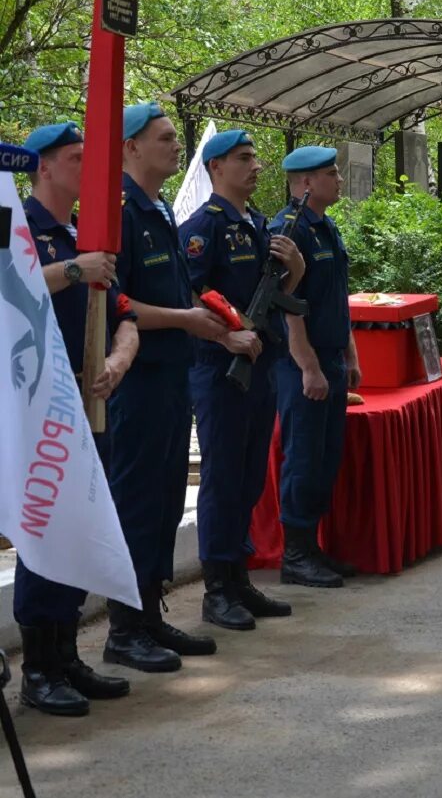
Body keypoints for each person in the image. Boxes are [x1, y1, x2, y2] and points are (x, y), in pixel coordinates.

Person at [15, 122, 135, 715]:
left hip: (91, 409)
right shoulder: (21, 229)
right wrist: (74, 270)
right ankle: (38, 669)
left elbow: (126, 314)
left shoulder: (83, 235)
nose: (88, 170)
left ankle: (66, 655)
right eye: (76, 158)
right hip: (40, 414)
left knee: (82, 528)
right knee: (46, 534)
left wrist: (116, 359)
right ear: (42, 167)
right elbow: (10, 289)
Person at [108, 102, 223, 673]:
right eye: (165, 138)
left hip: (172, 380)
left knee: (162, 504)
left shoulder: (157, 210)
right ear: (130, 146)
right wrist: (184, 320)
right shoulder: (119, 214)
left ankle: (150, 615)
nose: (177, 147)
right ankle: (124, 628)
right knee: (136, 503)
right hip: (139, 383)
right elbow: (115, 303)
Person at [179, 130, 302, 631]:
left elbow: (273, 297)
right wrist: (224, 336)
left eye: (255, 157)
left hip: (262, 365)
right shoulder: (203, 227)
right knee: (223, 478)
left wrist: (294, 269)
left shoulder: (256, 224)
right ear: (215, 167)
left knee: (251, 476)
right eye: (243, 158)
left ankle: (238, 577)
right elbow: (187, 294)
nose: (256, 166)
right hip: (219, 368)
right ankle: (216, 589)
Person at [272, 145, 361, 585]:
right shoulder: (289, 232)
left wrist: (350, 353)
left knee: (326, 457)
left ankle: (313, 548)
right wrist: (308, 365)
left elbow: (334, 296)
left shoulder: (325, 227)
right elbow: (289, 305)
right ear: (305, 183)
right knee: (304, 458)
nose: (339, 180)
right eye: (331, 174)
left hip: (330, 357)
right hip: (300, 362)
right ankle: (295, 554)